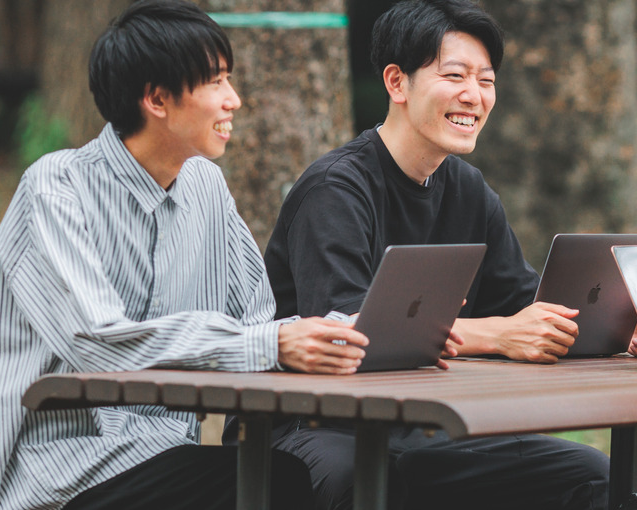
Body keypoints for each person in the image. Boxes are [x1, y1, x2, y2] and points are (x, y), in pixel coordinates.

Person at [0, 2, 372, 509]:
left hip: (162, 455)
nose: (235, 100)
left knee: (307, 476)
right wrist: (271, 342)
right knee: (273, 484)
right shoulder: (56, 189)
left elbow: (255, 321)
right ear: (157, 99)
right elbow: (99, 343)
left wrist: (344, 333)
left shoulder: (205, 185)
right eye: (216, 82)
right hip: (63, 473)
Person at [256, 1, 617, 508]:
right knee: (361, 480)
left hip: (422, 428)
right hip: (313, 427)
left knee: (592, 474)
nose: (473, 95)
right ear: (397, 83)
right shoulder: (335, 190)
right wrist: (495, 334)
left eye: (486, 81)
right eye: (454, 75)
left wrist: (618, 329)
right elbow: (346, 335)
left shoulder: (469, 189)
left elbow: (526, 308)